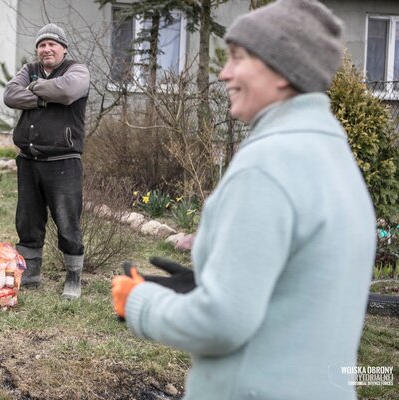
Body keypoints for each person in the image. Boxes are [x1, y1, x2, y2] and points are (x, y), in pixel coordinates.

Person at [111, 0, 377, 399]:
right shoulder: (335, 157)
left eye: (238, 58)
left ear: (282, 72)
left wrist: (139, 303)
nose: (224, 73)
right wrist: (215, 283)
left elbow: (222, 324)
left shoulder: (267, 164)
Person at [3, 23, 90, 300]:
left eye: (52, 44)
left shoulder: (78, 70)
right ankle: (30, 274)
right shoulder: (28, 69)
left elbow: (67, 91)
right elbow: (10, 95)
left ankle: (73, 277)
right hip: (29, 160)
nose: (46, 49)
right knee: (28, 220)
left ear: (64, 48)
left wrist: (36, 89)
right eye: (42, 45)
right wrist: (43, 99)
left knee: (67, 222)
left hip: (63, 160)